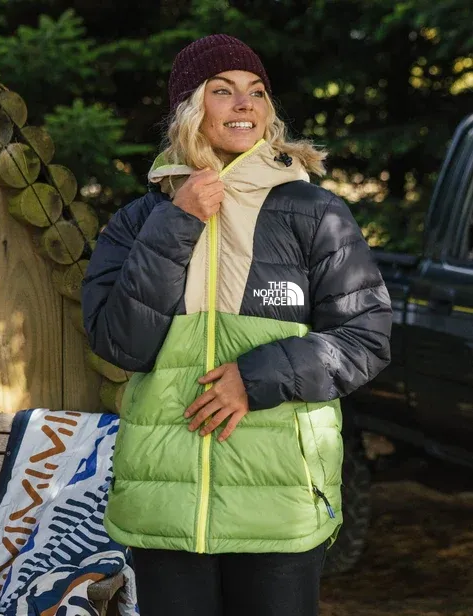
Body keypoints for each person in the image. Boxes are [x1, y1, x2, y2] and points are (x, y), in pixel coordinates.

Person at [82, 34, 392, 616]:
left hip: (280, 498)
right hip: (165, 503)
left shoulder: (316, 214)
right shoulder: (139, 221)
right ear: (189, 109)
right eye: (222, 90)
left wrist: (256, 377)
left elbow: (365, 337)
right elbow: (121, 343)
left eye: (257, 92)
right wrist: (177, 222)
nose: (245, 103)